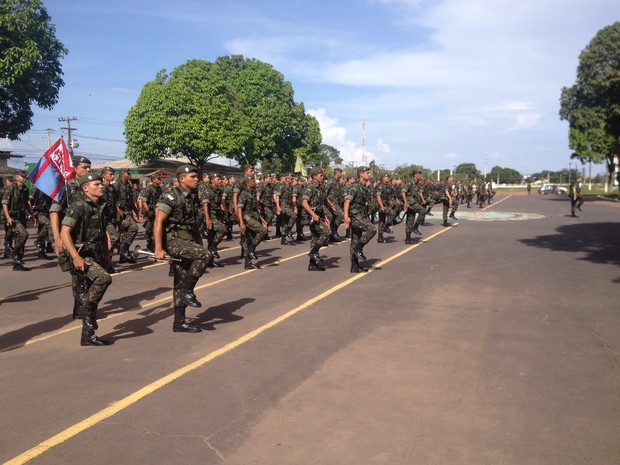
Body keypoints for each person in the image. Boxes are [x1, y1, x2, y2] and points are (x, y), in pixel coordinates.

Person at [154, 165, 213, 333]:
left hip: (187, 241)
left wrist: (199, 244)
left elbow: (193, 223)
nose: (197, 179)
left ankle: (179, 322)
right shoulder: (170, 196)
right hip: (174, 240)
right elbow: (158, 222)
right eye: (193, 176)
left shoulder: (192, 197)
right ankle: (188, 290)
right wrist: (159, 248)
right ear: (182, 179)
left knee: (180, 280)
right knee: (206, 256)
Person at [60, 174, 113, 346]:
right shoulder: (78, 205)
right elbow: (64, 232)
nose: (101, 186)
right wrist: (75, 257)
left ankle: (87, 336)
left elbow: (103, 231)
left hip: (97, 253)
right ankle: (86, 311)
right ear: (85, 188)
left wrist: (106, 254)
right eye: (96, 184)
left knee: (91, 291)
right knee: (104, 279)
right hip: (82, 254)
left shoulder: (102, 205)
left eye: (101, 184)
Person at [344, 166, 376, 273]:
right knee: (372, 229)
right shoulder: (354, 188)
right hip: (354, 217)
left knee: (355, 240)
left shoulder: (364, 188)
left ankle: (354, 265)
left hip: (361, 216)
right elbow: (347, 202)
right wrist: (346, 217)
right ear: (361, 174)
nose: (369, 175)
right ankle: (359, 248)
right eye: (367, 173)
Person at [2, 171, 36, 271]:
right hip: (13, 217)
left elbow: (26, 204)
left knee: (20, 240)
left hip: (21, 217)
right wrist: (8, 217)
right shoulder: (11, 188)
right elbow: (5, 203)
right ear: (17, 177)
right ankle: (13, 252)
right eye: (22, 176)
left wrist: (33, 216)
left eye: (25, 176)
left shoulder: (25, 189)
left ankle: (17, 263)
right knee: (24, 234)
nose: (24, 178)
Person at [301, 167, 331, 271]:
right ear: (314, 177)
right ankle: (313, 252)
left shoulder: (320, 187)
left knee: (315, 238)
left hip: (318, 215)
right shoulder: (310, 187)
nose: (323, 177)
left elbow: (321, 204)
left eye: (323, 175)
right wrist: (313, 215)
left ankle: (312, 264)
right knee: (327, 232)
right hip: (311, 216)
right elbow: (304, 202)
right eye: (320, 175)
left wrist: (325, 216)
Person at [237, 175, 268, 269]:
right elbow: (239, 209)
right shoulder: (244, 194)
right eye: (253, 181)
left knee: (249, 240)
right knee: (262, 231)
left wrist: (262, 219)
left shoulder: (253, 193)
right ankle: (252, 249)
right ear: (247, 183)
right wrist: (242, 223)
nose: (255, 182)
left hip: (253, 216)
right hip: (246, 217)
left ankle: (248, 262)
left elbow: (256, 208)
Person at [117, 169, 139, 263]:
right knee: (134, 227)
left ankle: (123, 257)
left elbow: (130, 200)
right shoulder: (116, 185)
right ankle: (123, 250)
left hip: (128, 211)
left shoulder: (128, 185)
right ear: (122, 174)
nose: (130, 175)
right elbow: (112, 199)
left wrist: (136, 210)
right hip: (120, 213)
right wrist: (118, 210)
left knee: (124, 234)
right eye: (128, 174)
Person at [139, 172, 163, 252]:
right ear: (153, 180)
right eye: (158, 179)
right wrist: (148, 211)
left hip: (157, 212)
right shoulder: (149, 189)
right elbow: (144, 200)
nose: (160, 180)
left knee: (156, 229)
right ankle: (150, 244)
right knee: (149, 229)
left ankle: (155, 245)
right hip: (150, 212)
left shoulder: (159, 189)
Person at [401, 170, 426, 244]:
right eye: (419, 174)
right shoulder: (410, 182)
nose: (420, 176)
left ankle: (408, 238)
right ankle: (415, 227)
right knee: (423, 211)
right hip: (410, 202)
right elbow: (403, 192)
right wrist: (405, 203)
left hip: (414, 202)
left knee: (410, 219)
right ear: (415, 175)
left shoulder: (417, 184)